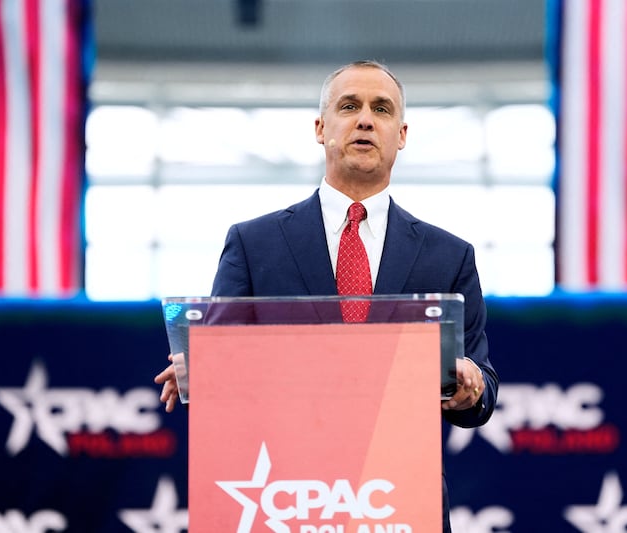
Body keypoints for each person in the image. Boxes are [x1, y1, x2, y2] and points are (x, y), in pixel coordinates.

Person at [155, 59, 498, 533]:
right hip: (281, 501)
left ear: (401, 134)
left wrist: (472, 384)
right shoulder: (253, 244)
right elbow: (222, 363)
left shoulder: (450, 256)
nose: (364, 119)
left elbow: (482, 388)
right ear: (320, 128)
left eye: (381, 109)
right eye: (349, 106)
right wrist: (206, 366)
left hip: (397, 502)